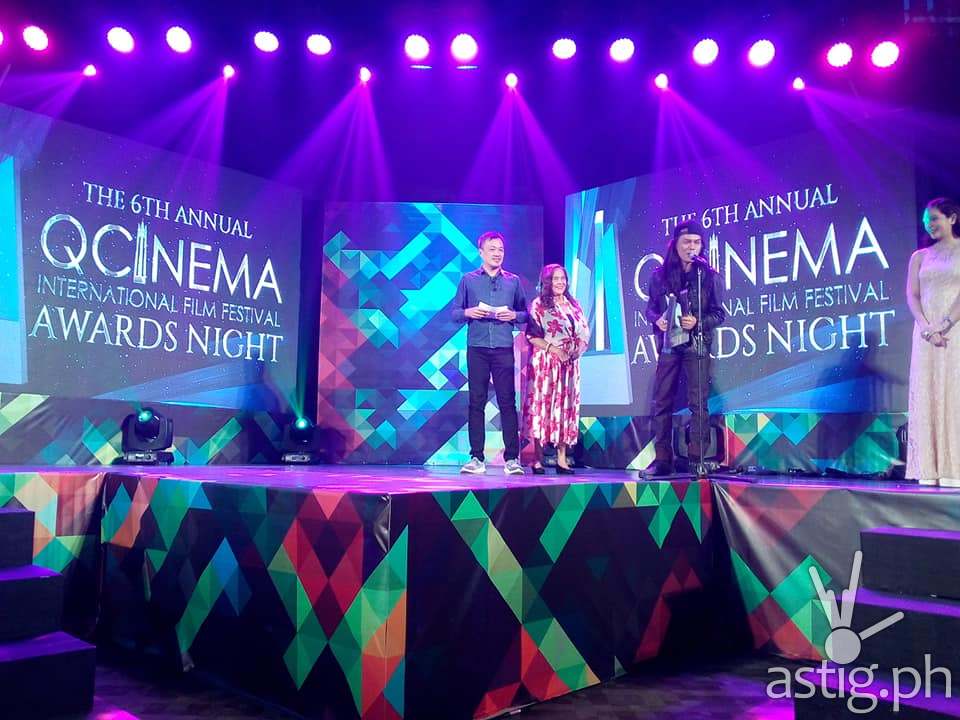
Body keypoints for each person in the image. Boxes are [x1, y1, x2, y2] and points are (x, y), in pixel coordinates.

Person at [644, 219, 725, 476]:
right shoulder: (659, 276)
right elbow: (650, 309)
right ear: (675, 244)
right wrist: (657, 319)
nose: (692, 247)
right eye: (687, 242)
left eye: (697, 242)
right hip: (669, 345)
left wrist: (698, 322)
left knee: (698, 402)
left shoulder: (709, 275)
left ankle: (697, 457)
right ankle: (662, 459)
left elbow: (719, 314)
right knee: (661, 401)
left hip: (696, 345)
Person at [452, 231, 529, 475]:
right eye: (492, 249)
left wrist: (513, 315)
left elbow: (526, 314)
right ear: (481, 252)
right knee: (476, 402)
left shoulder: (513, 281)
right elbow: (455, 312)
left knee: (507, 402)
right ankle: (476, 457)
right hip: (477, 348)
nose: (497, 253)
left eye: (501, 250)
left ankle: (512, 459)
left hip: (504, 348)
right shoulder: (468, 280)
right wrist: (468, 312)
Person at [906, 197, 960, 486]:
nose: (930, 225)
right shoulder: (919, 256)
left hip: (955, 331)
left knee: (954, 392)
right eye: (927, 222)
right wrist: (927, 328)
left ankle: (955, 468)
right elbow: (912, 295)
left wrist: (944, 324)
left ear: (952, 218)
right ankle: (930, 468)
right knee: (928, 392)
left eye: (935, 219)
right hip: (926, 336)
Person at [523, 264, 591, 475]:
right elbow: (532, 336)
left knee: (565, 409)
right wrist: (555, 350)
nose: (560, 282)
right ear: (547, 282)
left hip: (569, 365)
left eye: (563, 278)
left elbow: (584, 332)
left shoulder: (573, 304)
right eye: (555, 279)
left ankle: (562, 459)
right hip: (545, 364)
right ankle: (537, 458)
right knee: (542, 407)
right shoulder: (538, 305)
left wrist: (579, 349)